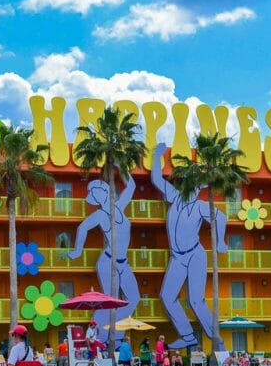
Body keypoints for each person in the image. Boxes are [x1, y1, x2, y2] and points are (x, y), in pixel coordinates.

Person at [152, 142, 228, 350]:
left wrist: (220, 241)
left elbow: (220, 218)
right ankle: (187, 336)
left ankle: (217, 340)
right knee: (167, 297)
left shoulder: (201, 207)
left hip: (195, 255)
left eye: (198, 187)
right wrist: (156, 155)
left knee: (196, 300)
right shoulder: (174, 196)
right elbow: (156, 178)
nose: (194, 190)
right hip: (177, 258)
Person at [68, 170, 140, 340]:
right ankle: (99, 335)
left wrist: (121, 166)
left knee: (133, 298)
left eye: (94, 193)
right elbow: (83, 227)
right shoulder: (100, 215)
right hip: (108, 262)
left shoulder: (119, 207)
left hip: (124, 263)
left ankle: (111, 331)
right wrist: (78, 250)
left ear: (104, 191)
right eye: (92, 195)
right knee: (111, 302)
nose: (94, 197)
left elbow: (132, 186)